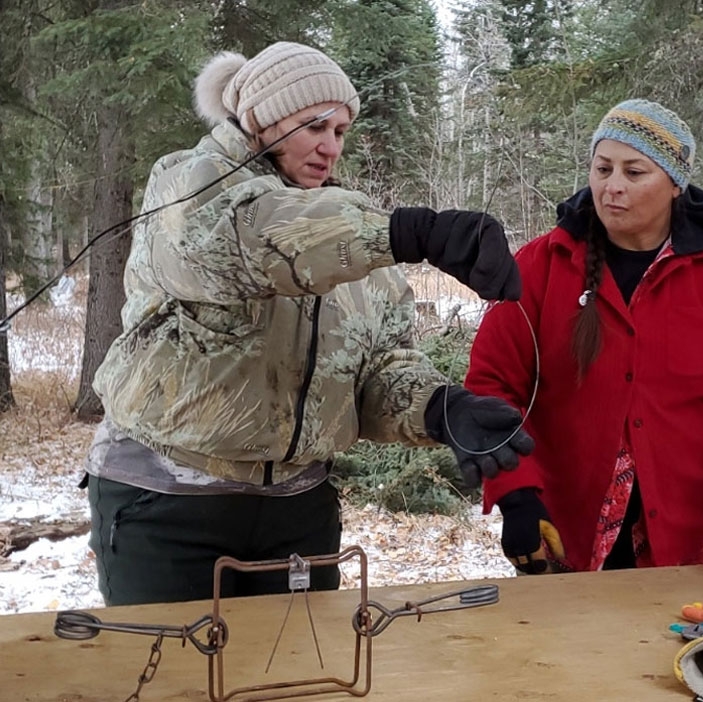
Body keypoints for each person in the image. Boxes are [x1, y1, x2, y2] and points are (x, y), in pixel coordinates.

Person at [84, 41, 533, 606]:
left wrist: (439, 408)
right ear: (260, 120)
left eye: (341, 131)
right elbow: (247, 241)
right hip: (167, 506)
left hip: (298, 514)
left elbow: (375, 365)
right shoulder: (186, 185)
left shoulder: (354, 229)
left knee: (300, 682)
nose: (329, 146)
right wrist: (405, 233)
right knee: (177, 684)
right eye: (312, 125)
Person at [465, 99, 703, 593]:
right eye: (602, 169)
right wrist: (515, 494)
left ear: (674, 183)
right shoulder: (542, 264)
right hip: (563, 537)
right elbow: (491, 385)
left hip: (691, 541)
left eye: (633, 171)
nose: (612, 186)